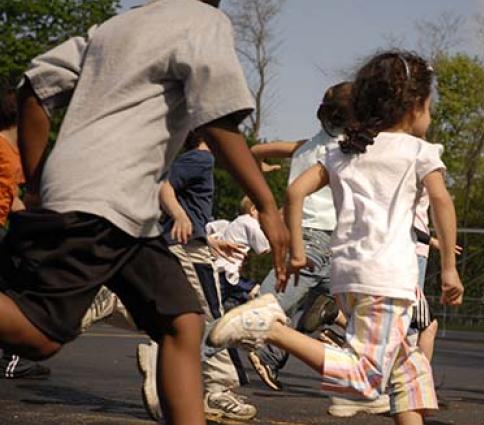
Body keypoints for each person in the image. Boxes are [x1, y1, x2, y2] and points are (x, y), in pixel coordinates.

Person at [0, 2, 287, 425]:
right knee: (39, 335)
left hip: (130, 211)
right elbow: (218, 121)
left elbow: (35, 85)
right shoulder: (201, 19)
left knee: (182, 321)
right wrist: (266, 205)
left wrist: (41, 175)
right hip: (105, 196)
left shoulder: (115, 27)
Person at [209, 51, 464, 425]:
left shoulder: (345, 151)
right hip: (387, 279)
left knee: (407, 368)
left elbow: (295, 192)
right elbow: (441, 202)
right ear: (413, 107)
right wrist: (449, 269)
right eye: (429, 104)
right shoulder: (418, 152)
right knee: (364, 380)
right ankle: (272, 330)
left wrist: (298, 251)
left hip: (349, 278)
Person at [136, 132, 257, 422]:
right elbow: (162, 184)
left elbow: (189, 208)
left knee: (186, 315)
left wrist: (211, 240)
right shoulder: (201, 159)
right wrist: (178, 215)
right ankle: (218, 389)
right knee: (212, 316)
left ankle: (168, 359)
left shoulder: (199, 161)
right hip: (189, 251)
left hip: (192, 245)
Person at [246, 82, 353, 393]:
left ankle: (273, 353)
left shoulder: (303, 146)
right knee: (261, 311)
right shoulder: (346, 151)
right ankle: (201, 359)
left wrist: (260, 167)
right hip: (322, 241)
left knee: (301, 307)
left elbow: (253, 150)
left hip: (305, 239)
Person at [0, 87, 50, 380]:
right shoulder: (4, 148)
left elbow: (13, 198)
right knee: (17, 287)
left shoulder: (12, 150)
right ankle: (13, 359)